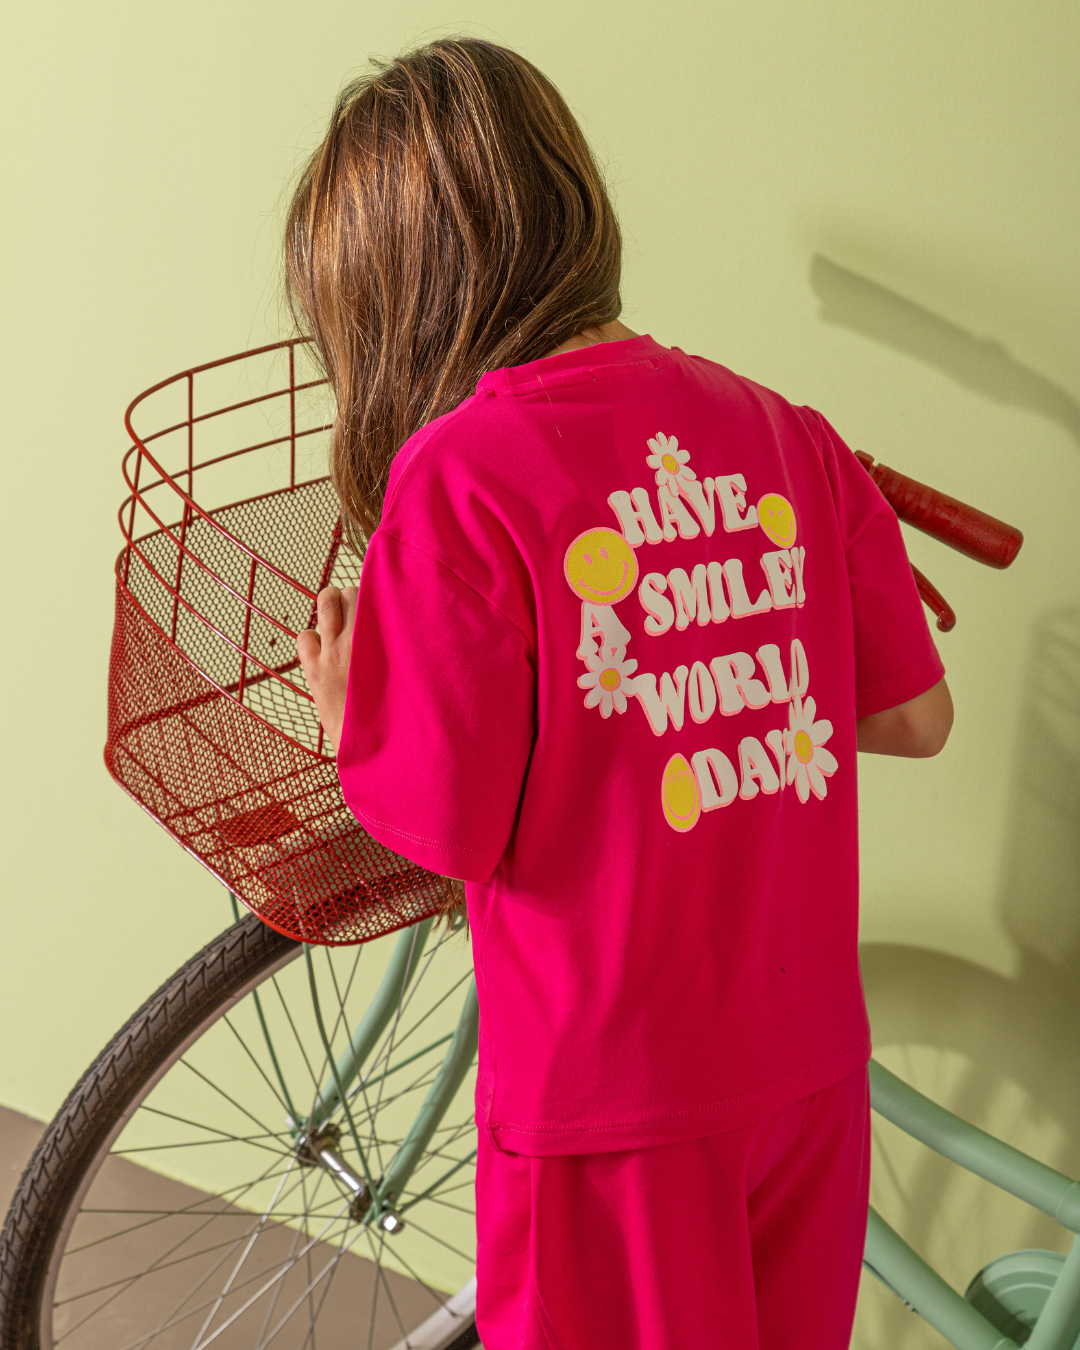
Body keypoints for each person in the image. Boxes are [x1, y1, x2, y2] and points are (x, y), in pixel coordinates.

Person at [291, 36, 953, 1350]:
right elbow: (914, 717)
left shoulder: (461, 475)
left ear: (397, 293)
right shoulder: (783, 430)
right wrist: (739, 650)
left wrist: (347, 706)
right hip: (807, 1071)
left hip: (612, 1113)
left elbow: (445, 823)